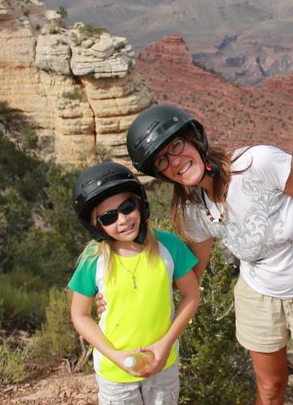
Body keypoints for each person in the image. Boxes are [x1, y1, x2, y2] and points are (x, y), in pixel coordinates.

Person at [125, 104, 293, 405]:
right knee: (270, 388)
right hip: (258, 296)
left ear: (194, 140)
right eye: (162, 160)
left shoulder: (259, 162)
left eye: (177, 146)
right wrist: (124, 299)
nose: (175, 161)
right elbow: (194, 273)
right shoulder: (193, 209)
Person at [68, 161, 200, 405]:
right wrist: (115, 355)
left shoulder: (168, 246)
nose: (122, 219)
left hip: (163, 364)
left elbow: (192, 295)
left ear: (140, 204)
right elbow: (80, 315)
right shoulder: (93, 260)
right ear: (97, 225)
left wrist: (165, 343)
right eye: (108, 217)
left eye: (127, 207)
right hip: (115, 371)